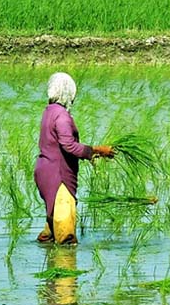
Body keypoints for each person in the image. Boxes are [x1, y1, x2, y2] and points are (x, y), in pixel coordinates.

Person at [35, 72, 114, 244]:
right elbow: (68, 145)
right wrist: (96, 150)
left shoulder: (49, 111)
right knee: (66, 239)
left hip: (44, 173)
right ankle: (65, 267)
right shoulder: (62, 116)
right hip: (58, 176)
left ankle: (48, 259)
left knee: (50, 230)